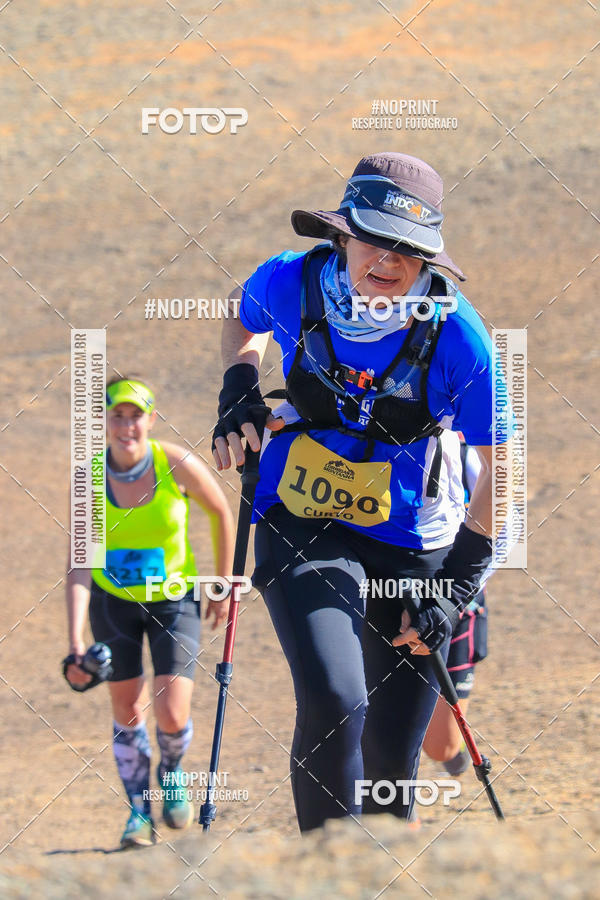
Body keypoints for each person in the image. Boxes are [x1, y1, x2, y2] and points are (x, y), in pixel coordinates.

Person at [212, 152, 510, 832]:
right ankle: (328, 877)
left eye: (409, 250)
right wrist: (239, 382)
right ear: (341, 234)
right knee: (336, 698)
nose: (389, 261)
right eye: (375, 238)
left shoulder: (458, 336)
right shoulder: (293, 282)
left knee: (388, 763)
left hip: (415, 543)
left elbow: (504, 470)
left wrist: (457, 586)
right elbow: (242, 313)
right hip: (304, 514)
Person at [65, 376, 234, 847]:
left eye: (135, 415)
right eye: (116, 415)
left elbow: (221, 510)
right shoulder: (91, 477)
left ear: (150, 419)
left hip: (172, 599)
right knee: (126, 708)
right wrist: (77, 642)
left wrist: (221, 584)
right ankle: (138, 810)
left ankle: (173, 769)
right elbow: (80, 563)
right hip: (112, 602)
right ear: (104, 421)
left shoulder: (172, 463)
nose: (126, 425)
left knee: (172, 713)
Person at [423, 437, 488, 776]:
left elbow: (506, 528)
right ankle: (403, 810)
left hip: (456, 602)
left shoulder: (470, 454)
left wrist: (459, 592)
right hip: (388, 591)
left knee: (441, 746)